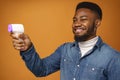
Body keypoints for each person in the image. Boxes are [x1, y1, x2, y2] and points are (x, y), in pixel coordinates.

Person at [10, 1, 120, 80]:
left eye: (83, 19)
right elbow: (41, 70)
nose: (76, 24)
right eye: (75, 20)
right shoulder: (65, 49)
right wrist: (28, 49)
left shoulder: (113, 58)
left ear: (97, 23)